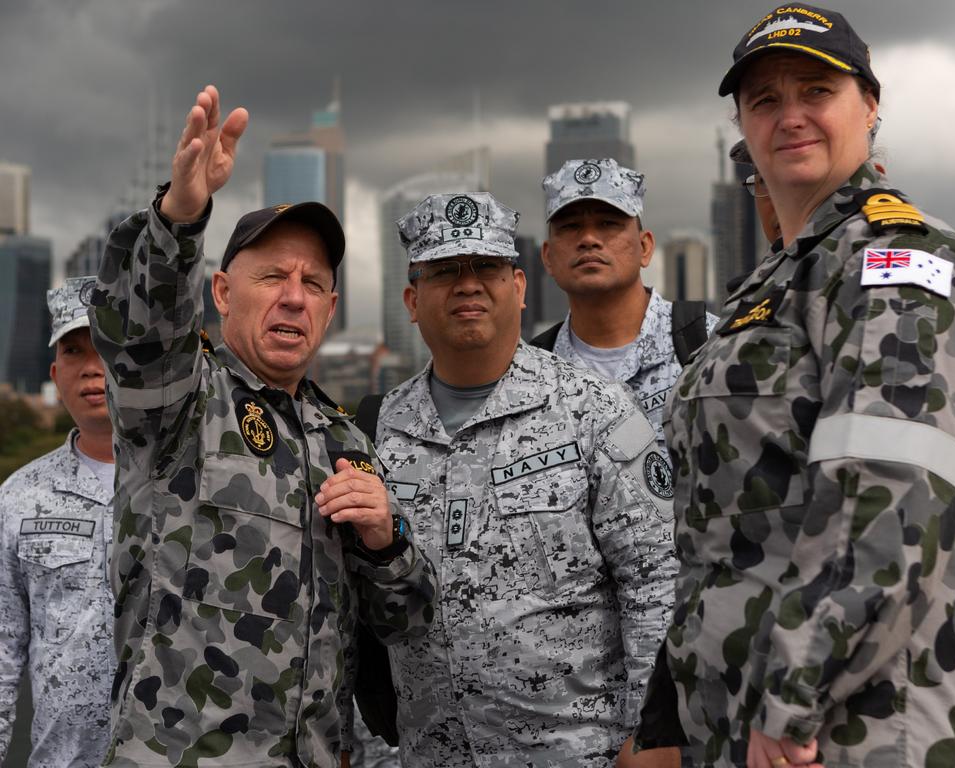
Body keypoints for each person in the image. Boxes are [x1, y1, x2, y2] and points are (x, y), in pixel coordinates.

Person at [633, 5, 955, 768]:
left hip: (850, 731)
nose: (791, 116)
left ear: (870, 107)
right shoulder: (780, 281)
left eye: (817, 90)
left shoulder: (893, 265)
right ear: (742, 128)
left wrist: (792, 696)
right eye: (766, 100)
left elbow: (893, 496)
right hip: (751, 726)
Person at [88, 85, 437, 768]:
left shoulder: (346, 441)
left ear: (331, 309)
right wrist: (179, 218)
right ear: (221, 292)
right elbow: (137, 331)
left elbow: (407, 622)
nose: (292, 296)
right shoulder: (182, 398)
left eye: (312, 283)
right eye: (272, 274)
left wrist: (385, 541)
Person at [366, 191, 677, 767]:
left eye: (485, 267)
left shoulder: (593, 410)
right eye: (444, 272)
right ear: (412, 300)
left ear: (519, 286)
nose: (467, 285)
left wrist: (655, 737)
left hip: (579, 754)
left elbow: (654, 581)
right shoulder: (380, 432)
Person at [0, 277, 115, 767]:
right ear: (54, 371)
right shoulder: (19, 498)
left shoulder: (189, 485)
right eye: (73, 351)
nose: (90, 368)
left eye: (107, 348)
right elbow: (3, 652)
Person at [532, 158, 718, 453]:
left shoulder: (710, 344)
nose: (589, 239)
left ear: (644, 247)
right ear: (547, 258)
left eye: (608, 224)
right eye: (570, 226)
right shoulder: (532, 375)